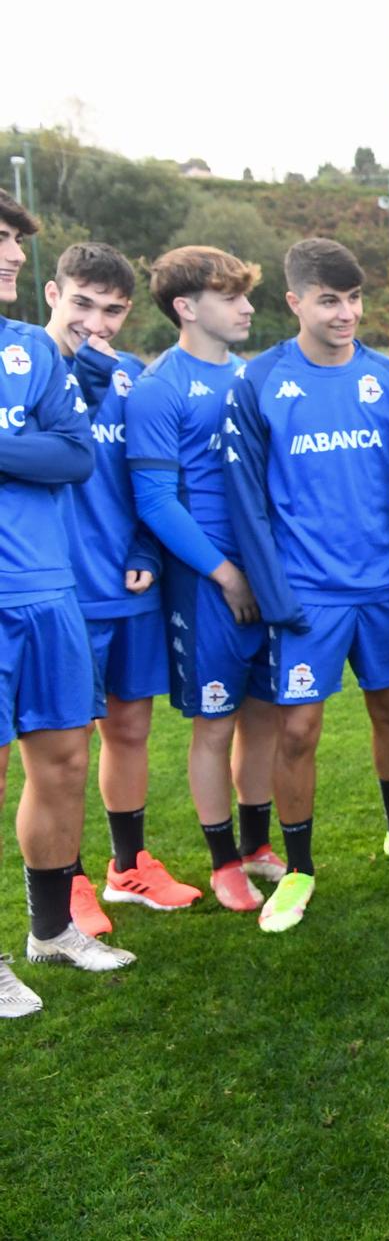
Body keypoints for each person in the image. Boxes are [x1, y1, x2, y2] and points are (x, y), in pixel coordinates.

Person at [225, 239, 389, 932]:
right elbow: (247, 502)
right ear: (295, 301)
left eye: (355, 298)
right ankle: (297, 869)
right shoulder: (260, 378)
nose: (346, 312)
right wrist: (274, 590)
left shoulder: (386, 379)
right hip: (306, 593)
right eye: (330, 299)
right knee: (298, 729)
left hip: (382, 585)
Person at [0, 190, 134, 1016]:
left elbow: (74, 456)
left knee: (65, 762)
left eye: (15, 242)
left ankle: (51, 930)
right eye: (0, 241)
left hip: (46, 590)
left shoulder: (30, 350)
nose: (14, 255)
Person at [45, 243, 202, 931]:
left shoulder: (134, 378)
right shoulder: (26, 374)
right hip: (57, 591)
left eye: (110, 310)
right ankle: (67, 878)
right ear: (53, 294)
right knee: (62, 747)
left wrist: (146, 546)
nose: (94, 323)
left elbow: (152, 481)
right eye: (82, 303)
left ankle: (127, 865)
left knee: (130, 729)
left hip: (128, 587)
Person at [125, 245, 283, 913]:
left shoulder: (252, 378)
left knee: (266, 715)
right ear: (187, 308)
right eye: (231, 295)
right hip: (207, 582)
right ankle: (223, 863)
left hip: (267, 576)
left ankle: (256, 846)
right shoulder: (159, 387)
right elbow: (157, 501)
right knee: (215, 723)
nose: (248, 306)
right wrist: (226, 575)